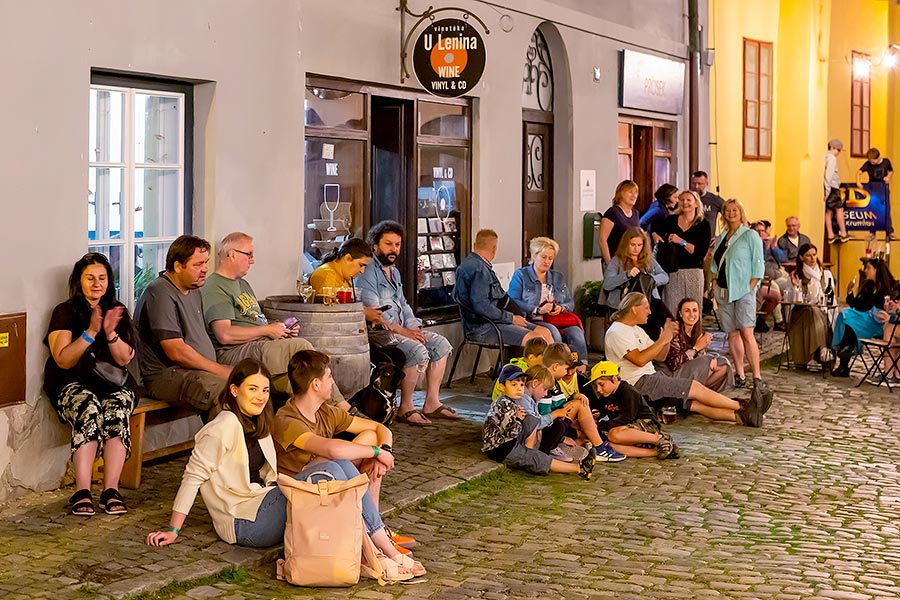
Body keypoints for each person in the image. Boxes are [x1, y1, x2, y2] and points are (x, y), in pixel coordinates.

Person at [272, 350, 425, 578]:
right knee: (341, 459)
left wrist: (383, 450)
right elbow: (332, 450)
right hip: (299, 496)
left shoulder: (325, 412)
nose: (333, 382)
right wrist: (376, 452)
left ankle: (376, 536)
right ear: (315, 384)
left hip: (328, 490)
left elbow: (379, 428)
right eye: (329, 376)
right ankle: (379, 546)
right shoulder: (287, 419)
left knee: (370, 440)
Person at [146, 360, 285, 548]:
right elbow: (193, 477)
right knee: (313, 483)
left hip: (263, 502)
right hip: (243, 521)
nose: (261, 397)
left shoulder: (260, 424)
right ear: (234, 390)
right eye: (253, 389)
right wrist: (173, 530)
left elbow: (269, 477)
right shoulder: (223, 426)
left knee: (320, 482)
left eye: (265, 390)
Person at [201, 232, 345, 406]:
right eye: (249, 255)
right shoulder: (215, 287)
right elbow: (225, 335)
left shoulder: (243, 284)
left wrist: (280, 329)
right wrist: (267, 330)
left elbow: (254, 320)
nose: (252, 261)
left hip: (260, 344)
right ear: (232, 254)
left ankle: (335, 416)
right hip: (235, 351)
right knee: (301, 347)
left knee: (300, 382)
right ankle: (345, 409)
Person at [44, 252, 138, 516]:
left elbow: (125, 359)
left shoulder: (117, 310)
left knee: (117, 409)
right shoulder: (64, 312)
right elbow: (63, 360)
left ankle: (111, 490)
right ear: (79, 281)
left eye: (102, 278)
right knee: (89, 407)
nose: (97, 284)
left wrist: (110, 332)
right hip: (70, 382)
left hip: (112, 382)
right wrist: (91, 332)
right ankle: (82, 489)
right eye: (90, 278)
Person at [604, 292, 765, 427]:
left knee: (694, 404)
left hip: (652, 377)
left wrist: (666, 339)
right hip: (638, 383)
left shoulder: (636, 330)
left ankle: (743, 417)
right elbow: (639, 360)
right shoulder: (617, 332)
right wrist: (663, 340)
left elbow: (659, 356)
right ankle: (743, 405)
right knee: (694, 387)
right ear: (634, 309)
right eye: (646, 308)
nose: (649, 312)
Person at [356, 221, 455, 426]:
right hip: (380, 332)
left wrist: (414, 327)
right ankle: (406, 407)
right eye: (388, 244)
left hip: (402, 329)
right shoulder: (368, 271)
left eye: (397, 245)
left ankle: (432, 402)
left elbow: (404, 304)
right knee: (416, 350)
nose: (394, 249)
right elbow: (376, 313)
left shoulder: (394, 272)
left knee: (440, 344)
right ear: (375, 245)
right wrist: (404, 332)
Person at [136, 235, 230, 413]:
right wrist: (220, 370)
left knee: (252, 382)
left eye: (206, 262)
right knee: (225, 393)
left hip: (198, 371)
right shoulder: (160, 293)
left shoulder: (194, 289)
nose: (205, 269)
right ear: (178, 266)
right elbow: (176, 352)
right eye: (198, 264)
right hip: (166, 375)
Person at [309, 238, 408, 383]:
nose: (362, 271)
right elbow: (330, 315)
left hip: (350, 336)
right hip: (334, 340)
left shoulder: (344, 276)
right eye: (361, 265)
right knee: (385, 361)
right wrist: (364, 314)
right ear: (347, 258)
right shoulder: (327, 275)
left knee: (398, 356)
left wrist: (368, 315)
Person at [481, 364, 596, 480]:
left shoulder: (512, 401)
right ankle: (579, 468)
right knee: (538, 457)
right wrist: (519, 420)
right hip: (501, 448)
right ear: (502, 387)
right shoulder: (507, 404)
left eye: (521, 385)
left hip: (509, 444)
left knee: (536, 448)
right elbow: (510, 433)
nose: (519, 388)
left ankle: (579, 467)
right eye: (514, 385)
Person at [454, 229, 554, 348]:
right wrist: (511, 318)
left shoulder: (473, 265)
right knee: (536, 339)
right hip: (483, 328)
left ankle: (556, 360)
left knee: (544, 331)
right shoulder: (479, 270)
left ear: (474, 245)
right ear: (494, 248)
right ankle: (547, 360)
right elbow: (482, 306)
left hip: (496, 321)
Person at [709, 199, 765, 389]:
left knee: (747, 332)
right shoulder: (722, 237)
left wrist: (751, 287)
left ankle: (756, 376)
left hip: (743, 291)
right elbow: (715, 264)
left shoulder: (750, 235)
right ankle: (740, 373)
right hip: (724, 291)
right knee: (732, 334)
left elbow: (758, 265)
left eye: (735, 210)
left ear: (741, 213)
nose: (731, 213)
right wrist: (714, 282)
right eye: (728, 210)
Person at [508, 236, 588, 362]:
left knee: (576, 332)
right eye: (544, 257)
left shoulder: (558, 277)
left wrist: (561, 308)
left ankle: (580, 367)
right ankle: (557, 366)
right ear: (534, 256)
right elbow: (513, 301)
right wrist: (538, 310)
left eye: (550, 258)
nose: (547, 261)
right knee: (553, 332)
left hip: (557, 319)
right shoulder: (521, 275)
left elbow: (570, 303)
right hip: (533, 319)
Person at [587, 361, 678, 459]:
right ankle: (657, 452)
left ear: (614, 379)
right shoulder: (605, 395)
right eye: (596, 386)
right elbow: (600, 410)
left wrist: (599, 426)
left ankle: (660, 438)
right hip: (625, 429)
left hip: (646, 424)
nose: (598, 389)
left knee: (614, 434)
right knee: (609, 446)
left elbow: (626, 418)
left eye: (601, 384)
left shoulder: (628, 391)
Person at [831, 257, 897, 377]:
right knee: (847, 316)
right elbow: (857, 306)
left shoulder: (889, 288)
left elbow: (889, 310)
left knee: (848, 317)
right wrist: (849, 292)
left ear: (876, 270)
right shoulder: (869, 286)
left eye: (868, 268)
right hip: (865, 320)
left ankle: (845, 357)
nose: (865, 270)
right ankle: (846, 350)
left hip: (881, 324)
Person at [602, 227, 670, 340]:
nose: (636, 249)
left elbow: (664, 276)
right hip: (625, 303)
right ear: (626, 244)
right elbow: (607, 284)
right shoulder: (617, 261)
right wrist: (626, 275)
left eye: (639, 245)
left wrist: (651, 279)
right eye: (632, 245)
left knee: (666, 320)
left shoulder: (648, 260)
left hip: (649, 300)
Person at [655, 189, 711, 316]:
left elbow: (700, 253)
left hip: (693, 274)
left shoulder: (703, 224)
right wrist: (654, 235)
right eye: (682, 200)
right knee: (672, 311)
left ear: (696, 203)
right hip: (673, 273)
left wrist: (681, 241)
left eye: (688, 200)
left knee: (692, 313)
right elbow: (656, 230)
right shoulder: (670, 220)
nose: (685, 203)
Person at [785, 243, 836, 369]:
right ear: (801, 257)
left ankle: (812, 359)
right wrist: (796, 288)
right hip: (800, 313)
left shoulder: (825, 274)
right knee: (810, 311)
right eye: (808, 256)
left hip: (821, 312)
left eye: (814, 255)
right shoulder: (796, 275)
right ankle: (822, 349)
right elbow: (789, 300)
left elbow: (831, 298)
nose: (813, 258)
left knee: (813, 311)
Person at [665, 297, 733, 391]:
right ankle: (697, 393)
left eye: (695, 310)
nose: (692, 314)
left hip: (692, 369)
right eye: (687, 311)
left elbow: (699, 358)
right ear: (680, 314)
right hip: (675, 373)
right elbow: (674, 364)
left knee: (723, 363)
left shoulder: (696, 332)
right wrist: (696, 348)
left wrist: (702, 350)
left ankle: (702, 393)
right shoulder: (675, 332)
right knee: (708, 361)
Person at [752, 220, 786, 333]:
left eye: (762, 231)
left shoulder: (769, 243)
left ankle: (790, 319)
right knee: (774, 289)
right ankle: (778, 321)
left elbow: (782, 259)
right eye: (757, 231)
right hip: (763, 278)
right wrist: (766, 248)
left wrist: (774, 247)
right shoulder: (753, 245)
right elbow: (760, 263)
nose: (760, 233)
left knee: (790, 285)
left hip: (777, 274)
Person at [491, 337, 549, 402]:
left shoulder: (524, 364)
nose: (545, 363)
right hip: (504, 403)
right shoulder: (520, 371)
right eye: (543, 360)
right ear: (531, 358)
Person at [599, 180, 641, 264]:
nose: (634, 195)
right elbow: (602, 240)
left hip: (631, 262)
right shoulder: (612, 213)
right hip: (615, 260)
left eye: (635, 193)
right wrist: (609, 263)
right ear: (621, 193)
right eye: (630, 192)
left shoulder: (636, 213)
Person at [857, 147, 894, 240]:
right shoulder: (868, 164)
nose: (872, 163)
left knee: (886, 209)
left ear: (878, 157)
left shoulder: (886, 162)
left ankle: (890, 232)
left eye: (873, 161)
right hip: (872, 189)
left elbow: (891, 171)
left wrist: (888, 177)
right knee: (872, 210)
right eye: (870, 161)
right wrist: (858, 182)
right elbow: (859, 172)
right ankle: (872, 233)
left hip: (883, 189)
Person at [824, 139, 851, 244]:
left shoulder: (826, 156)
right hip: (832, 188)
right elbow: (829, 175)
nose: (839, 153)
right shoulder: (832, 158)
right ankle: (843, 234)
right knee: (839, 210)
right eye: (838, 150)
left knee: (829, 211)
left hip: (829, 188)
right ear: (833, 148)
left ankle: (830, 235)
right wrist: (828, 191)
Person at [690, 170, 725, 236]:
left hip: (708, 240)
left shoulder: (715, 200)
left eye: (700, 184)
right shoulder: (685, 200)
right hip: (688, 239)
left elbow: (731, 218)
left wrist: (721, 237)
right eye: (693, 183)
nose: (696, 186)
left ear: (706, 184)